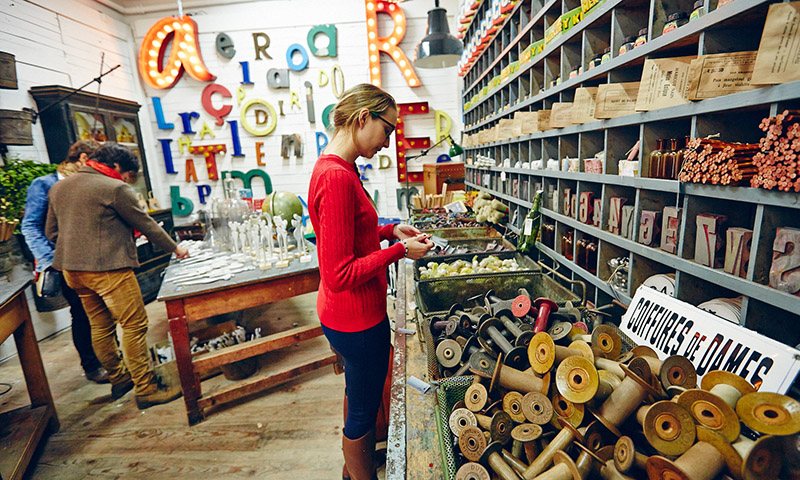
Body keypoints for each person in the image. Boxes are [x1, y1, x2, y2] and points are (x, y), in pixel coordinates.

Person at [308, 84, 433, 480]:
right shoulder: (337, 178)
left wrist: (390, 230)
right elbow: (340, 273)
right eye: (388, 129)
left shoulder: (336, 168)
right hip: (355, 320)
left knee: (358, 394)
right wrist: (400, 251)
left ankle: (353, 468)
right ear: (364, 117)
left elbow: (351, 234)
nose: (389, 140)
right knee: (363, 407)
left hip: (344, 314)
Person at [45, 144, 190, 409]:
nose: (126, 180)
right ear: (117, 168)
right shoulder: (114, 188)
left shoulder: (59, 187)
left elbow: (51, 233)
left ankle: (120, 379)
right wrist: (176, 248)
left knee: (100, 325)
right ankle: (145, 388)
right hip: (108, 269)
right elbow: (145, 224)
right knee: (134, 325)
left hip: (72, 271)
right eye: (126, 175)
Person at [21, 140, 109, 384]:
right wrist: (51, 259)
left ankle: (111, 358)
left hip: (95, 260)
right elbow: (29, 225)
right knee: (82, 313)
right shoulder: (45, 184)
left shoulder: (87, 184)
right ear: (82, 158)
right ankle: (92, 365)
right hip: (66, 263)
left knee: (104, 312)